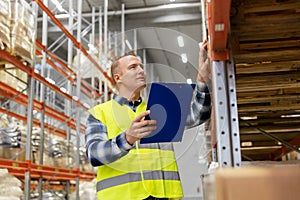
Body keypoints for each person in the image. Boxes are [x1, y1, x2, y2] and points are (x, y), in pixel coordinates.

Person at [85, 40, 211, 200]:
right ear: (118, 78)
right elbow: (94, 154)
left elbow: (199, 114)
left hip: (162, 196)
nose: (141, 71)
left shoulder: (158, 108)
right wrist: (128, 138)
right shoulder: (100, 113)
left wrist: (202, 78)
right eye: (133, 67)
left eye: (141, 67)